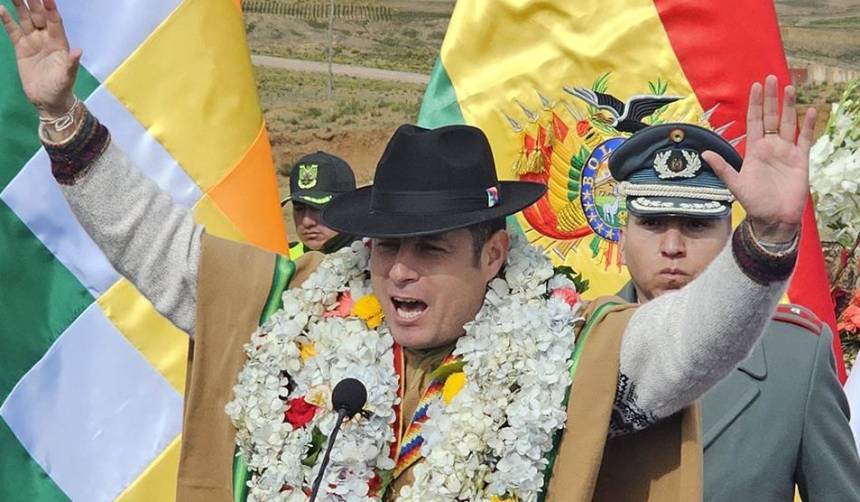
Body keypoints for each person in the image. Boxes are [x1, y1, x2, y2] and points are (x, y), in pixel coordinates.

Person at [0, 1, 817, 500]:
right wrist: (66, 121)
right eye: (386, 245)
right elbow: (164, 251)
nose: (398, 270)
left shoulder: (571, 351)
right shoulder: (302, 310)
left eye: (430, 249)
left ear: (493, 256)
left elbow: (683, 349)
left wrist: (768, 242)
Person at [610, 123, 860, 502]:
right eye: (652, 223)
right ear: (622, 238)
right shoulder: (574, 348)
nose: (673, 246)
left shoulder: (795, 360)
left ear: (731, 238)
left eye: (696, 225)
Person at [281, 151, 358, 259]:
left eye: (317, 208)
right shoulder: (284, 262)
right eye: (299, 209)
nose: (307, 222)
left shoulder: (372, 258)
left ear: (349, 206)